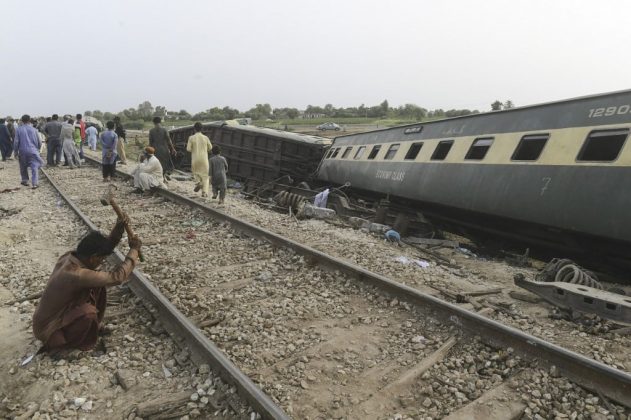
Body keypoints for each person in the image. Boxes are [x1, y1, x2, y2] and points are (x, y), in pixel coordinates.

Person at [32, 218, 142, 354]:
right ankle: (65, 346)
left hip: (47, 321)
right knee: (87, 313)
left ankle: (92, 326)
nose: (101, 261)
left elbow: (104, 248)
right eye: (101, 259)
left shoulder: (71, 257)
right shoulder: (77, 274)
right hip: (48, 331)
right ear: (93, 258)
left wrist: (118, 228)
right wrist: (134, 251)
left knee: (98, 285)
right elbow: (117, 277)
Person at [13, 115, 44, 188]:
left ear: (22, 120)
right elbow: (39, 141)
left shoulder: (18, 129)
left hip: (22, 150)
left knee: (23, 166)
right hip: (33, 150)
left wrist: (15, 152)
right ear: (29, 120)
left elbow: (16, 142)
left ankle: (25, 180)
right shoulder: (34, 130)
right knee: (34, 166)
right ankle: (35, 183)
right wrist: (38, 149)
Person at [186, 122, 212, 197]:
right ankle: (205, 192)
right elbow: (210, 147)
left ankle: (199, 183)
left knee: (196, 173)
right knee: (205, 176)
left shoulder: (191, 138)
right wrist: (204, 149)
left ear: (194, 129)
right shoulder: (205, 137)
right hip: (204, 159)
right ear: (202, 129)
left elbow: (188, 149)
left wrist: (194, 149)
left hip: (195, 159)